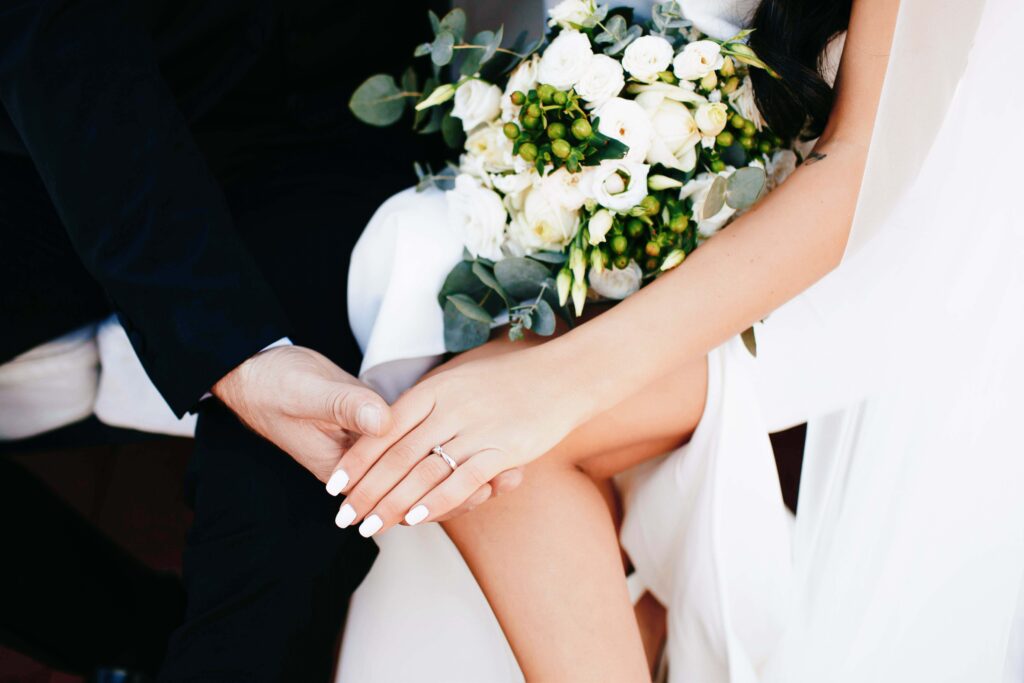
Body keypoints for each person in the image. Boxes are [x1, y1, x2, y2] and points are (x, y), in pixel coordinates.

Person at [337, 0, 1024, 680]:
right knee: (434, 386)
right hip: (686, 202)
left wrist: (554, 383)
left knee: (488, 446)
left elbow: (859, 164)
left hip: (868, 246)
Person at [0, 1, 516, 680]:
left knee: (302, 507)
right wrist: (235, 356)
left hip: (335, 119)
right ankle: (127, 639)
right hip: (59, 126)